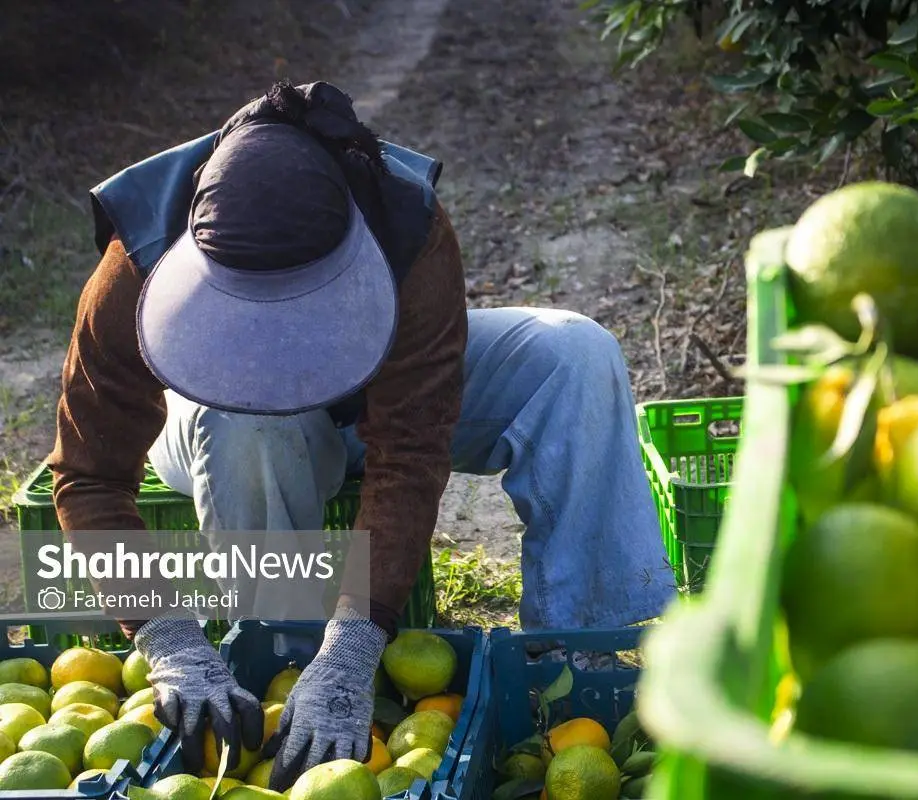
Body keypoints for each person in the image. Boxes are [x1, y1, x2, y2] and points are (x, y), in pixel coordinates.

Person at [47, 81, 675, 791]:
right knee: (245, 421)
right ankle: (281, 656)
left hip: (368, 403)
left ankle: (588, 655)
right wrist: (165, 636)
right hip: (219, 424)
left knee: (575, 355)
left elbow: (408, 452)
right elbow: (88, 473)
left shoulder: (406, 227)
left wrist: (353, 646)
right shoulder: (138, 258)